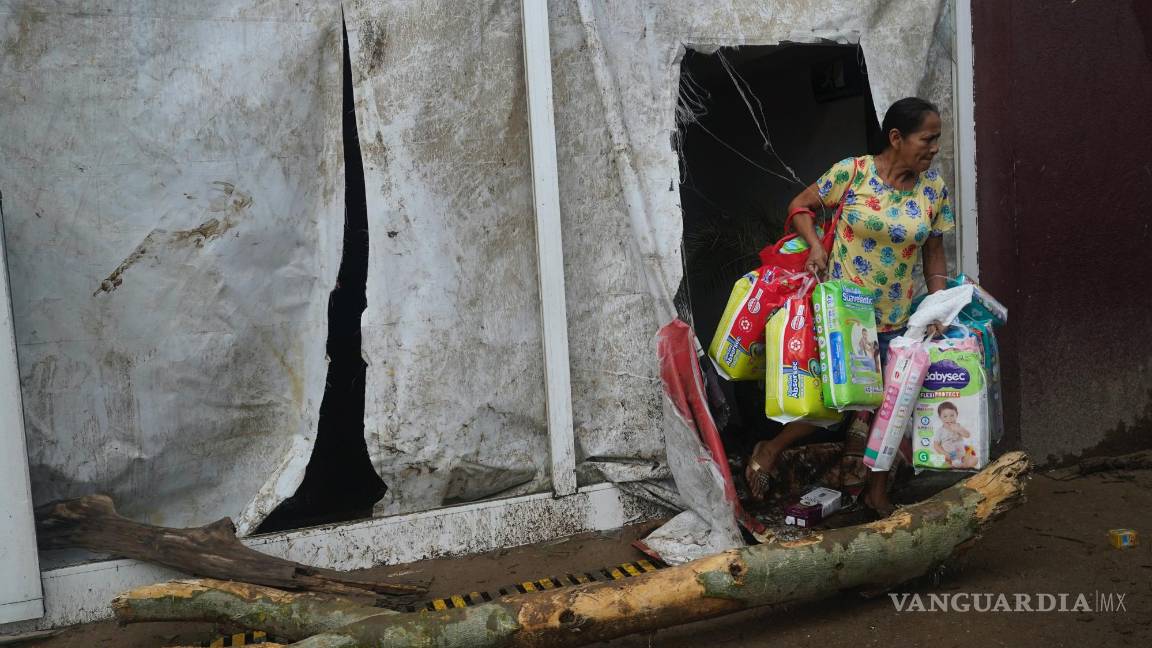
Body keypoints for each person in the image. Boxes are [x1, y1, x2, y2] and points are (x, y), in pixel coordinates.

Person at [745, 97, 954, 516]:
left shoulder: (933, 190)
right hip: (845, 314)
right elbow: (799, 206)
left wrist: (936, 304)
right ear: (896, 138)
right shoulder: (852, 172)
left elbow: (934, 252)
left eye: (937, 141)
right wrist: (818, 247)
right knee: (835, 402)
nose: (934, 149)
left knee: (889, 408)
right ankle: (772, 446)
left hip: (898, 318)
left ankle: (876, 491)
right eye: (927, 139)